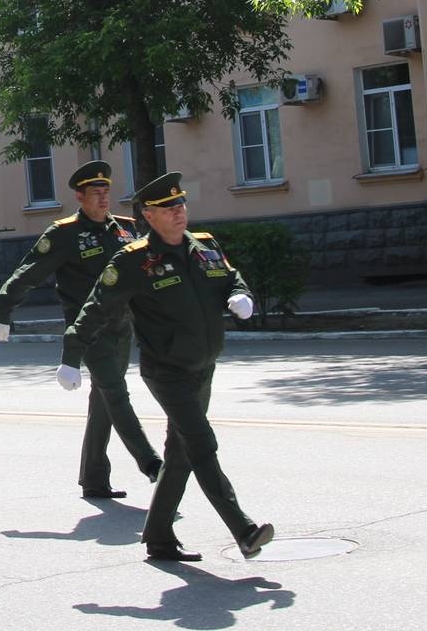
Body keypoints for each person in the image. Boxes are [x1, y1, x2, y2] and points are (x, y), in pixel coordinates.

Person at [61, 171, 274, 562]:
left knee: (179, 454)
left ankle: (158, 536)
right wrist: (71, 357)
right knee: (202, 445)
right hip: (167, 371)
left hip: (203, 367)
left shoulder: (205, 246)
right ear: (149, 215)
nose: (178, 212)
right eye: (167, 207)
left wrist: (241, 295)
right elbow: (95, 308)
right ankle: (243, 529)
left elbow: (231, 278)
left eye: (181, 204)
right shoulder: (134, 261)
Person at [0, 161, 162, 497]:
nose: (102, 198)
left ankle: (94, 478)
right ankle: (152, 463)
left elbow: (147, 273)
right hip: (88, 328)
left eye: (106, 192)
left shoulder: (126, 230)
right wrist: (3, 309)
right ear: (79, 197)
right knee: (115, 393)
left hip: (122, 326)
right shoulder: (65, 233)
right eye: (95, 193)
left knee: (103, 401)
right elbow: (30, 272)